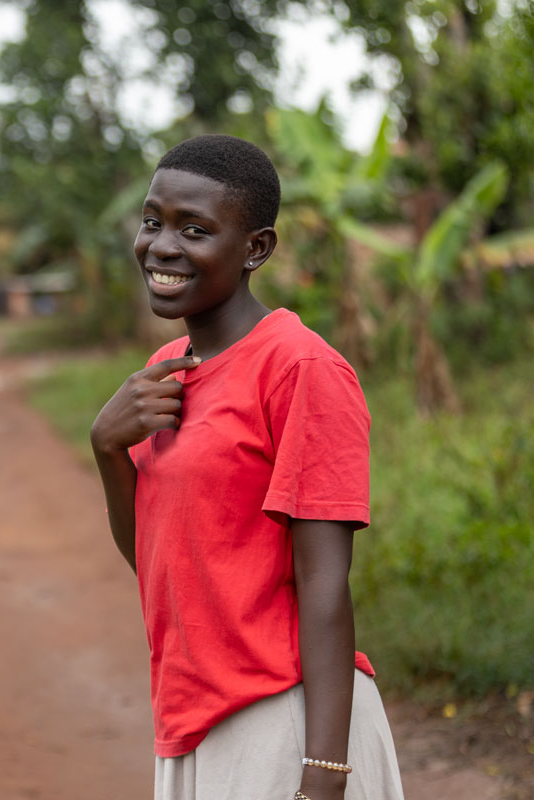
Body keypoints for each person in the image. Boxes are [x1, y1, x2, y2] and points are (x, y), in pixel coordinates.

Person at [89, 135, 405, 800]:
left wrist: (323, 776)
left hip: (280, 724)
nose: (162, 247)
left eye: (195, 230)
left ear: (256, 248)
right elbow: (160, 562)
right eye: (153, 222)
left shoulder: (300, 369)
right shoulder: (166, 371)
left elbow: (324, 582)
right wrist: (107, 447)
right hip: (193, 720)